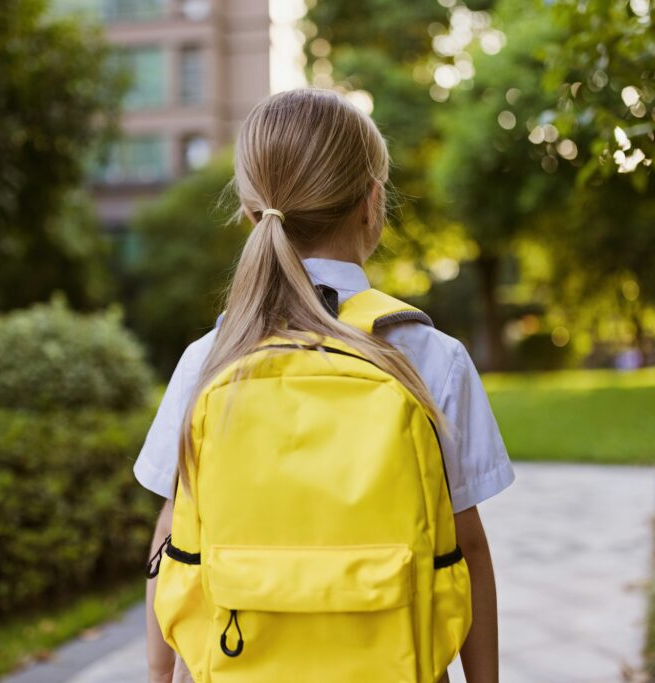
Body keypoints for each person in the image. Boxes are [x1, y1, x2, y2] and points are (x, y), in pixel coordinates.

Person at [134, 87, 515, 683]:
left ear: (248, 211)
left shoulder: (209, 358)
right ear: (372, 202)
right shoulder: (432, 358)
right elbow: (468, 549)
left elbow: (170, 536)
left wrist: (159, 677)